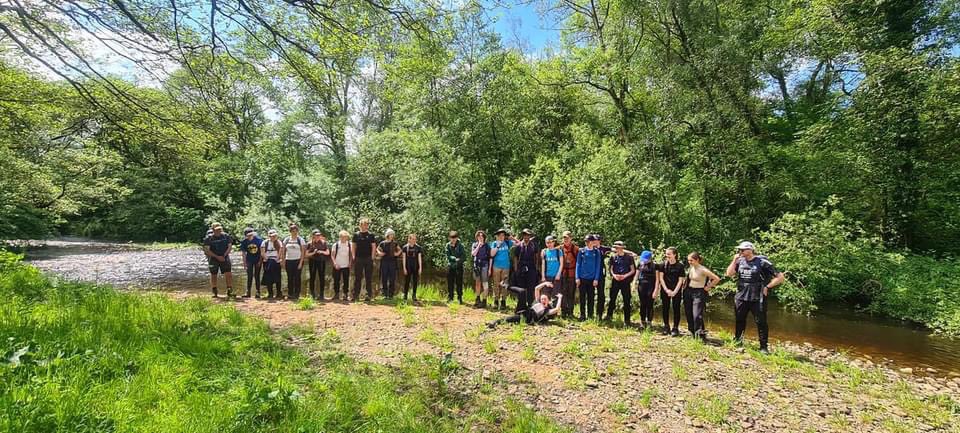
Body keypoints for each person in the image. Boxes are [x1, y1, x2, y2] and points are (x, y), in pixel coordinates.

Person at [724, 241, 785, 354]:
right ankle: (738, 340)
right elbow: (729, 274)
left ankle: (763, 346)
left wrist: (768, 286)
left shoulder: (762, 262)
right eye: (739, 250)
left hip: (758, 297)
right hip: (741, 295)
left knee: (761, 322)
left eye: (742, 250)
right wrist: (734, 260)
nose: (740, 252)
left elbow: (780, 277)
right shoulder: (740, 261)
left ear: (750, 250)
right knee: (739, 319)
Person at [487, 281, 562, 328]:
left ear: (548, 301)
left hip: (526, 318)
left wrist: (560, 298)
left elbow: (556, 309)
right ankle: (506, 286)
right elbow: (537, 289)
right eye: (542, 299)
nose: (542, 300)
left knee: (510, 319)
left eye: (544, 299)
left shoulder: (547, 311)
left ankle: (494, 322)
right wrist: (545, 283)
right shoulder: (537, 302)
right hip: (524, 310)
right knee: (522, 291)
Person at [685, 251, 721, 340]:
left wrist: (708, 287)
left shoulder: (703, 269)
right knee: (688, 312)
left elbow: (716, 278)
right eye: (688, 260)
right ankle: (693, 332)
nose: (689, 262)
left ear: (697, 260)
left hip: (699, 292)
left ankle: (700, 335)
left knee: (697, 314)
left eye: (691, 260)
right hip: (689, 291)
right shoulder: (691, 267)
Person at [655, 247, 686, 336]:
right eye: (666, 254)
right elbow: (661, 278)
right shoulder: (663, 265)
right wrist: (666, 289)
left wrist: (675, 291)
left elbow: (681, 280)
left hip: (676, 290)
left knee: (676, 309)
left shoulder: (680, 266)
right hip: (665, 290)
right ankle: (666, 326)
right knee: (665, 308)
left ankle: (675, 328)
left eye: (669, 254)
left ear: (674, 255)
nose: (667, 255)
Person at [604, 241, 636, 325]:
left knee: (626, 300)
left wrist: (625, 276)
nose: (616, 249)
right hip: (615, 280)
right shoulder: (613, 257)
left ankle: (627, 320)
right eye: (616, 247)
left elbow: (633, 270)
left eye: (618, 247)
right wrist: (614, 275)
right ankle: (609, 316)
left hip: (625, 281)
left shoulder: (629, 258)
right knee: (612, 298)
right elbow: (611, 269)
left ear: (622, 248)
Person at [575, 234, 603, 320]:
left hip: (592, 279)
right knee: (582, 297)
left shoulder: (597, 252)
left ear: (592, 242)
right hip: (582, 278)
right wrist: (577, 277)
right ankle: (582, 315)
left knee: (591, 298)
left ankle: (590, 315)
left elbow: (598, 266)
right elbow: (578, 264)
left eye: (588, 241)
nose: (587, 243)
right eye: (586, 241)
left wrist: (596, 278)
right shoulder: (582, 251)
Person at [203, 222, 234, 298]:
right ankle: (214, 291)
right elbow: (207, 250)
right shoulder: (208, 238)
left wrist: (224, 255)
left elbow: (229, 247)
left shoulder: (226, 236)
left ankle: (229, 290)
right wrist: (217, 257)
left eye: (220, 229)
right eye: (217, 229)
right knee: (213, 274)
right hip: (213, 258)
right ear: (213, 230)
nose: (219, 231)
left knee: (228, 274)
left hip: (225, 257)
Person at [489, 228, 515, 310]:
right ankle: (496, 301)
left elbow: (519, 244)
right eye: (499, 235)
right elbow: (492, 254)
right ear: (496, 236)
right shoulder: (493, 244)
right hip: (496, 266)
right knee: (496, 284)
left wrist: (513, 238)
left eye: (503, 235)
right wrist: (498, 245)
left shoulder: (508, 242)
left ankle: (503, 301)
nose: (501, 237)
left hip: (506, 267)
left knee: (505, 284)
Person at [352, 218, 377, 302]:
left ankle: (368, 296)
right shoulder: (356, 235)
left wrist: (372, 257)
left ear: (367, 226)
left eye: (366, 224)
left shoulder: (371, 235)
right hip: (358, 258)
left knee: (368, 277)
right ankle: (355, 296)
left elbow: (373, 246)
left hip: (368, 258)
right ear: (360, 225)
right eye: (363, 224)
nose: (364, 226)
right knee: (358, 277)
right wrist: (353, 256)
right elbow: (353, 246)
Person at [513, 228, 540, 308]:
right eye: (524, 235)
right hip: (521, 268)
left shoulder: (534, 245)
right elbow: (515, 258)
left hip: (531, 268)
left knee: (531, 287)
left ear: (530, 236)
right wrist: (516, 269)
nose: (526, 237)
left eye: (527, 235)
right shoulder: (519, 246)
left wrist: (537, 269)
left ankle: (530, 305)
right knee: (521, 288)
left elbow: (537, 257)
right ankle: (521, 305)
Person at [281, 224, 306, 300]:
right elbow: (283, 251)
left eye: (295, 231)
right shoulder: (286, 240)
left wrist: (301, 262)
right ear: (290, 231)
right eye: (292, 231)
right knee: (290, 278)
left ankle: (297, 294)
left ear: (297, 231)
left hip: (297, 260)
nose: (294, 232)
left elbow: (303, 252)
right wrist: (283, 261)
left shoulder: (300, 240)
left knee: (297, 278)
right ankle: (290, 294)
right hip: (289, 260)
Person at [305, 229, 330, 301]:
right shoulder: (309, 244)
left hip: (321, 261)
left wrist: (321, 252)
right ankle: (312, 294)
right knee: (312, 277)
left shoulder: (324, 243)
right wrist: (314, 253)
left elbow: (327, 252)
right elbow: (306, 254)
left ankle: (321, 294)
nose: (318, 236)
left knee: (322, 277)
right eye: (317, 235)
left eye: (319, 235)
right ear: (313, 236)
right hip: (312, 261)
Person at [559, 231, 579, 318]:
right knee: (563, 293)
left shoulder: (576, 249)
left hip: (572, 274)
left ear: (571, 238)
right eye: (564, 238)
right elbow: (550, 249)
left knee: (571, 293)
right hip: (563, 274)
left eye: (567, 238)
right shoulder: (560, 248)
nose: (565, 239)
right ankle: (564, 312)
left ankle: (570, 312)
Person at [635, 250, 657, 328]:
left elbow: (657, 279)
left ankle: (649, 321)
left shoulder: (654, 266)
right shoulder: (640, 264)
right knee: (642, 304)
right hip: (641, 285)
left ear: (650, 259)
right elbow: (637, 274)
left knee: (650, 304)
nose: (644, 261)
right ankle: (642, 321)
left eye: (646, 259)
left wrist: (656, 290)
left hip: (651, 286)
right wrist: (634, 283)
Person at [377, 229, 401, 299]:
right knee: (384, 278)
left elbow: (400, 250)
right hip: (384, 262)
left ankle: (391, 294)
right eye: (390, 234)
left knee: (392, 278)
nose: (392, 236)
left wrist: (397, 254)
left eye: (393, 234)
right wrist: (380, 253)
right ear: (387, 235)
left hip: (393, 262)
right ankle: (385, 294)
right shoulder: (382, 243)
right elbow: (377, 249)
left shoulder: (395, 243)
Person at [238, 227, 263, 298]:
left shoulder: (259, 240)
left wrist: (260, 261)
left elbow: (262, 251)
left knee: (257, 276)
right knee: (249, 276)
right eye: (248, 235)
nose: (249, 236)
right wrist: (244, 263)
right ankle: (248, 292)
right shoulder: (244, 242)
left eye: (251, 234)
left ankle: (258, 292)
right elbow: (243, 253)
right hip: (249, 260)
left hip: (257, 259)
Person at [471, 230, 492, 308]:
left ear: (484, 237)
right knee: (477, 283)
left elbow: (490, 258)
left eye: (482, 236)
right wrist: (478, 246)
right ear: (477, 237)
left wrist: (490, 269)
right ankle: (477, 299)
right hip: (477, 266)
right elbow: (473, 254)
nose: (480, 237)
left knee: (485, 283)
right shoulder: (474, 244)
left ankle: (484, 300)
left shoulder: (487, 246)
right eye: (479, 236)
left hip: (485, 266)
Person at [260, 229, 283, 299]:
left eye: (274, 236)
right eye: (271, 236)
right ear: (269, 236)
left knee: (278, 278)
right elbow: (262, 252)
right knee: (268, 278)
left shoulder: (279, 242)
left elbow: (280, 251)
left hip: (276, 261)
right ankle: (270, 293)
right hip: (267, 261)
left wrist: (277, 259)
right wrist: (267, 259)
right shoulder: (265, 242)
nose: (273, 237)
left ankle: (279, 293)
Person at [445, 230, 466, 303]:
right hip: (450, 266)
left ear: (457, 238)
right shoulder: (448, 245)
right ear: (449, 238)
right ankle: (450, 297)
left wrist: (458, 261)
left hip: (459, 267)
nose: (453, 239)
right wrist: (454, 258)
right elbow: (448, 256)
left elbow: (464, 257)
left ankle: (459, 298)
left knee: (459, 283)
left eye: (454, 237)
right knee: (450, 283)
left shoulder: (461, 246)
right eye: (451, 237)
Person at [331, 230, 352, 301]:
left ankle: (345, 294)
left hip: (346, 265)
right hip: (337, 265)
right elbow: (332, 255)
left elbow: (351, 255)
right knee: (336, 280)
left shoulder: (350, 244)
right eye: (342, 237)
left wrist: (350, 263)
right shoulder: (336, 245)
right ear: (340, 237)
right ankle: (336, 294)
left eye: (345, 237)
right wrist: (335, 264)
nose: (344, 238)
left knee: (346, 281)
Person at [401, 233, 423, 301]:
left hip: (415, 266)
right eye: (412, 239)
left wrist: (420, 268)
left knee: (415, 281)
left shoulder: (418, 247)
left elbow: (419, 258)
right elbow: (404, 258)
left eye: (415, 239)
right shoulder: (405, 247)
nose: (414, 240)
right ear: (409, 239)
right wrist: (404, 268)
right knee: (407, 281)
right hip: (408, 266)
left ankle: (414, 295)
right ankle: (405, 295)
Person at [540, 235, 563, 300]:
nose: (549, 244)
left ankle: (555, 309)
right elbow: (543, 264)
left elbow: (561, 264)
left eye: (550, 242)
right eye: (547, 242)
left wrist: (558, 274)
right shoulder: (544, 252)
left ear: (553, 242)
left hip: (556, 277)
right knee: (546, 294)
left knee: (555, 295)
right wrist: (543, 276)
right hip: (547, 276)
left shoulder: (559, 252)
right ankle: (546, 309)